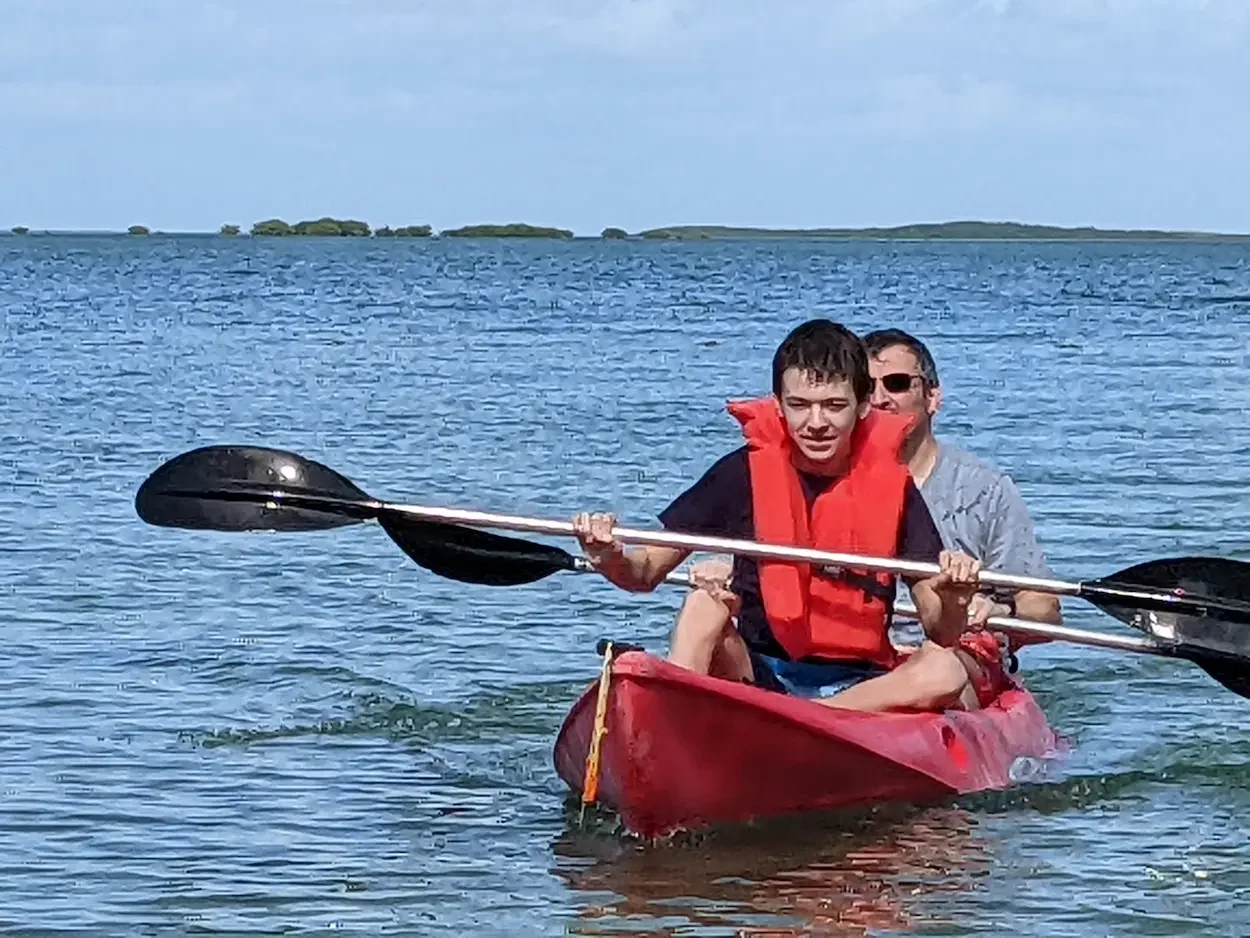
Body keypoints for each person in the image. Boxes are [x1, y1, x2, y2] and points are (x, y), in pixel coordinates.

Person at [572, 319, 1010, 714]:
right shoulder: (742, 472)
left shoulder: (894, 486)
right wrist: (608, 555)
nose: (815, 422)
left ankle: (820, 716)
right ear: (778, 405)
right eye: (800, 405)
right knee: (705, 603)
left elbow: (940, 627)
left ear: (862, 408)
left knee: (944, 670)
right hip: (758, 671)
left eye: (833, 406)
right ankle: (674, 714)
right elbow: (644, 572)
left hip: (859, 684)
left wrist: (954, 596)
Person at [861, 328, 1061, 640]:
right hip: (864, 656)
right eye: (866, 387)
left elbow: (1044, 608)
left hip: (957, 651)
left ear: (933, 397)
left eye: (897, 384)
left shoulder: (985, 490)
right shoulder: (830, 482)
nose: (879, 399)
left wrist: (1000, 610)